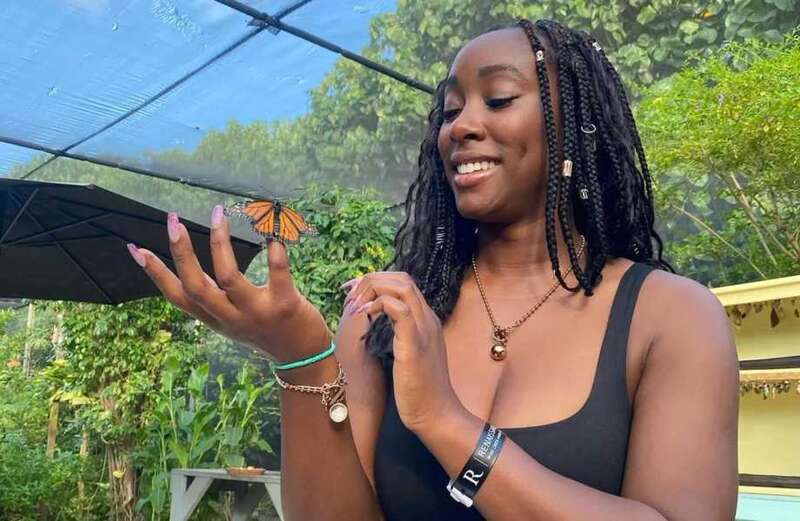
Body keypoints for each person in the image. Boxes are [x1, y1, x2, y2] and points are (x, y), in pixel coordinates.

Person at [127, 19, 739, 521]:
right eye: (449, 111)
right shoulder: (387, 315)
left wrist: (445, 421)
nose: (461, 126)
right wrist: (301, 355)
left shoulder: (672, 315)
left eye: (497, 99)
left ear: (575, 128)